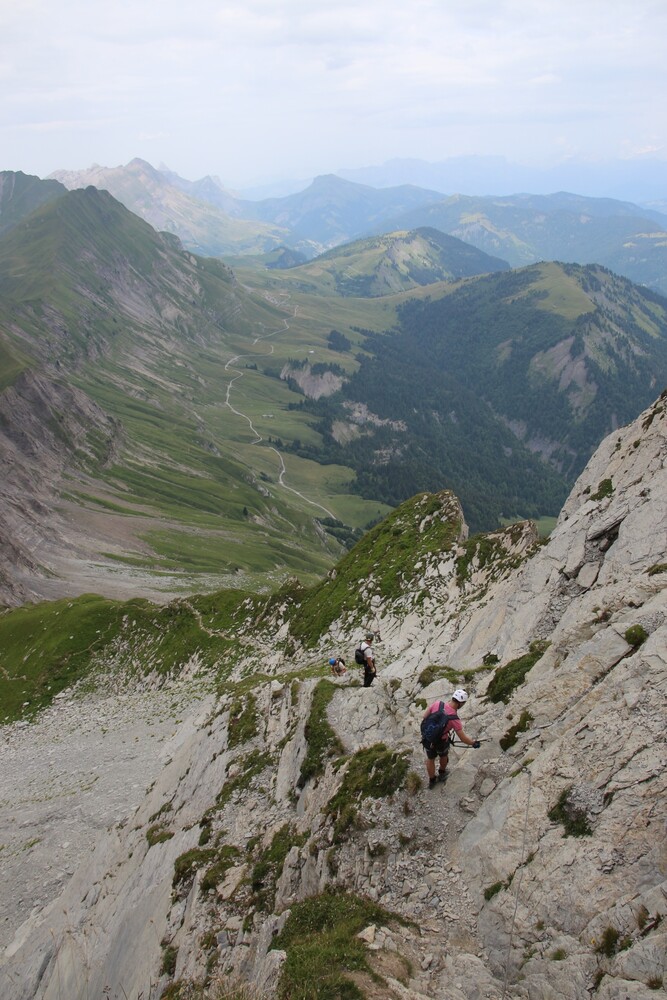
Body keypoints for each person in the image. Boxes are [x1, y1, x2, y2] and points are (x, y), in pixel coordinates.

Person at [421, 688, 480, 788]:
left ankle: (432, 781)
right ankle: (442, 773)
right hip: (441, 741)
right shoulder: (454, 719)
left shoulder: (437, 704)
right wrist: (473, 743)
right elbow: (463, 738)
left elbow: (424, 716)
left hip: (427, 738)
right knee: (443, 756)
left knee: (430, 759)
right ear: (460, 703)